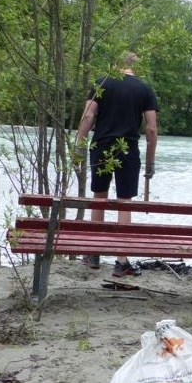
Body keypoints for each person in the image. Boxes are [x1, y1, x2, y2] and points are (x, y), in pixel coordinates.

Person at [74, 52, 159, 277]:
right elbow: (151, 129)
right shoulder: (144, 89)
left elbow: (89, 116)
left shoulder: (101, 82)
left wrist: (79, 146)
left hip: (101, 145)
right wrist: (150, 162)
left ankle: (93, 253)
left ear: (115, 64)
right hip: (128, 149)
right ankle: (121, 260)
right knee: (124, 202)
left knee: (99, 196)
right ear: (134, 67)